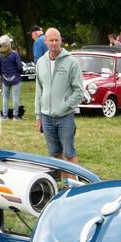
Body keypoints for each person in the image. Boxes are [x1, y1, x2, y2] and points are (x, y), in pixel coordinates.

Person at [34, 27, 84, 163]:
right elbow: (39, 91)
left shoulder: (71, 62)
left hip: (65, 116)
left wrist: (65, 106)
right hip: (47, 117)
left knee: (69, 153)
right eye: (51, 40)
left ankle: (74, 183)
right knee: (55, 154)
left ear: (61, 41)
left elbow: (79, 90)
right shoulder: (41, 63)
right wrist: (38, 115)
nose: (54, 43)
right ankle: (63, 183)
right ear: (45, 42)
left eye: (57, 40)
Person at [0, 34, 23, 119]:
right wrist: (19, 73)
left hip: (5, 78)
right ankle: (15, 116)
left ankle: (5, 116)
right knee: (15, 97)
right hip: (15, 78)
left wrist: (3, 74)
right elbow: (19, 67)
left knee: (5, 98)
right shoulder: (14, 54)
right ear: (8, 44)